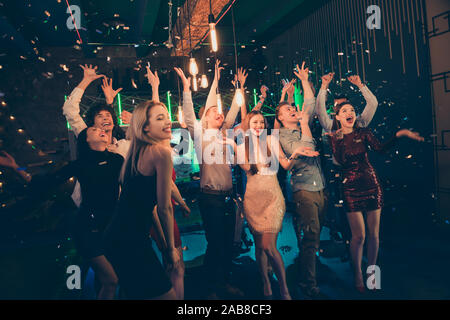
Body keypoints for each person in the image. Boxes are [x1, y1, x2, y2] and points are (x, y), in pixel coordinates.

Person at [0, 127, 124, 300]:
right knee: (110, 280)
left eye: (102, 129)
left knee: (110, 281)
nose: (101, 130)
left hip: (110, 227)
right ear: (86, 140)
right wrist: (16, 167)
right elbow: (45, 182)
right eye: (94, 130)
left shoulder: (118, 160)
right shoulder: (80, 164)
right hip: (87, 228)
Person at [328, 101, 424, 292]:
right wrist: (337, 140)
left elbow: (380, 149)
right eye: (344, 111)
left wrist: (400, 135)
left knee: (374, 235)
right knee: (359, 237)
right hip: (350, 188)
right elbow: (339, 162)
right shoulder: (334, 137)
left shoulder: (364, 133)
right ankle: (357, 275)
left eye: (352, 110)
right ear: (337, 117)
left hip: (371, 185)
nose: (350, 113)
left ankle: (372, 275)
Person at [174, 61, 243, 299]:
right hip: (210, 197)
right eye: (213, 112)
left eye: (219, 111)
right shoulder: (200, 134)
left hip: (227, 196)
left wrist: (236, 88)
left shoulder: (225, 133)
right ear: (205, 119)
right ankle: (212, 287)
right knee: (215, 243)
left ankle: (223, 283)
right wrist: (186, 88)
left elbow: (232, 111)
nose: (218, 112)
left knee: (227, 243)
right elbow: (192, 114)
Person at [237, 109, 318, 299]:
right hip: (253, 200)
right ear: (248, 125)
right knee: (259, 245)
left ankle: (284, 288)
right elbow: (248, 169)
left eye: (261, 123)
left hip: (273, 198)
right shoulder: (242, 147)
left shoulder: (272, 141)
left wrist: (296, 152)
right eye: (254, 123)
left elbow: (286, 165)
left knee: (268, 246)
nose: (258, 126)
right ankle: (265, 280)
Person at [103, 100, 179, 300]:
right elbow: (164, 209)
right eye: (160, 118)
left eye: (167, 116)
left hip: (118, 237)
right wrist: (170, 250)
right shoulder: (161, 153)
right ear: (145, 127)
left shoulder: (136, 153)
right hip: (130, 240)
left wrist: (164, 245)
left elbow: (147, 208)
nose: (168, 122)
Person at [276, 61, 327, 298]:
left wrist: (305, 81)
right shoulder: (283, 136)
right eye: (288, 111)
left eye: (292, 109)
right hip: (303, 189)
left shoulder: (300, 122)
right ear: (281, 118)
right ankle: (308, 283)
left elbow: (309, 103)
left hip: (320, 186)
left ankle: (307, 263)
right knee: (312, 235)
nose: (293, 111)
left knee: (312, 233)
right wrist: (305, 125)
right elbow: (306, 148)